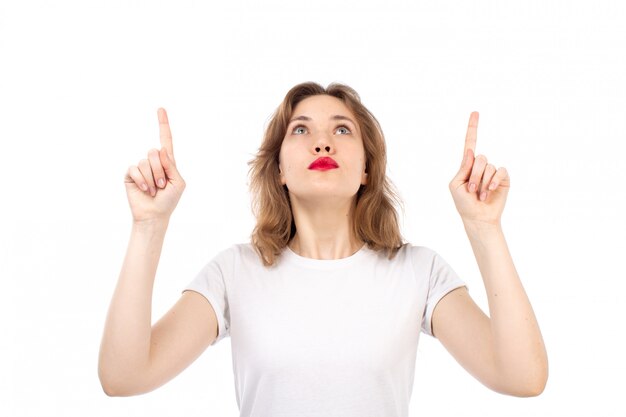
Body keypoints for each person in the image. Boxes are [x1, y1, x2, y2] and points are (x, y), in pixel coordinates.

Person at [98, 82, 548, 416]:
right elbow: (124, 376)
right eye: (300, 130)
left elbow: (523, 378)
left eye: (342, 129)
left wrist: (484, 228)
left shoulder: (418, 271)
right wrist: (149, 226)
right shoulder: (235, 272)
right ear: (279, 171)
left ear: (367, 169)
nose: (322, 141)